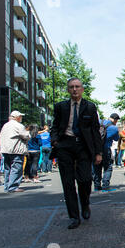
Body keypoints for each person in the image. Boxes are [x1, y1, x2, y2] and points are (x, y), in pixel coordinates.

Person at [50, 78, 102, 230]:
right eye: (71, 87)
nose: (74, 89)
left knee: (85, 180)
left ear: (82, 89)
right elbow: (54, 127)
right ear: (68, 89)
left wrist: (98, 152)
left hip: (83, 146)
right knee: (68, 183)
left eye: (77, 87)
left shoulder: (90, 107)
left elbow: (95, 131)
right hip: (65, 146)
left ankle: (85, 204)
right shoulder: (60, 107)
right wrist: (55, 141)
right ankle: (74, 217)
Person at [0, 111, 31, 193]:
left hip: (5, 150)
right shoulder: (18, 125)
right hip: (16, 149)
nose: (21, 118)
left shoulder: (5, 125)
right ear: (17, 117)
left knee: (8, 169)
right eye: (20, 116)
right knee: (16, 168)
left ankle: (7, 186)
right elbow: (26, 136)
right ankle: (13, 187)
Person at [93, 113, 120, 191]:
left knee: (96, 167)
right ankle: (105, 186)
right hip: (105, 149)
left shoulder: (98, 122)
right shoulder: (114, 128)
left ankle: (96, 186)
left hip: (96, 149)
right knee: (108, 167)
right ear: (115, 120)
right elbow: (116, 139)